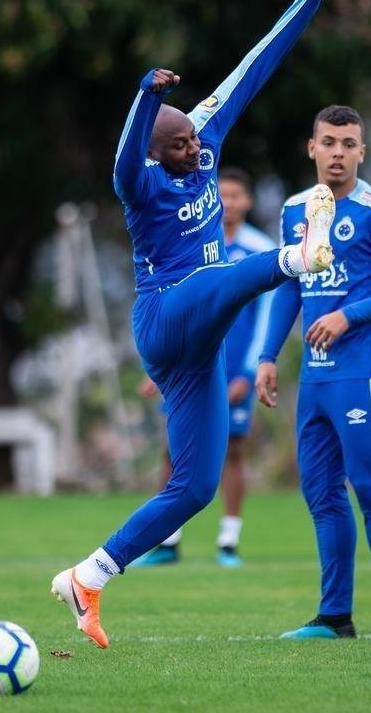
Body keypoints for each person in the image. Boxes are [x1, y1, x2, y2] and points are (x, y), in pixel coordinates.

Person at [50, 0, 334, 648]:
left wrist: (306, 3)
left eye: (193, 142)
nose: (194, 152)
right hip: (164, 319)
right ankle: (298, 257)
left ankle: (88, 576)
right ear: (155, 149)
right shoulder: (138, 183)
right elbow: (124, 156)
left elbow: (252, 69)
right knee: (227, 275)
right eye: (177, 146)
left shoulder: (203, 138)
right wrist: (145, 98)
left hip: (198, 346)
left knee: (196, 485)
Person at [255, 105, 371, 640]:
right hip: (316, 378)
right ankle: (334, 616)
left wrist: (347, 314)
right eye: (328, 142)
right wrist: (265, 356)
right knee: (322, 495)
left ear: (362, 153)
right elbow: (288, 287)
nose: (338, 152)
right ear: (312, 148)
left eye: (349, 144)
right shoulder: (293, 211)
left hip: (364, 371)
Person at [132, 166, 276, 568]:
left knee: (233, 451)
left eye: (235, 196)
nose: (228, 202)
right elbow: (171, 307)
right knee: (172, 450)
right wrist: (159, 364)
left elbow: (267, 313)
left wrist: (249, 372)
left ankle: (228, 542)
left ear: (246, 201)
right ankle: (168, 541)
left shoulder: (260, 248)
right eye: (222, 195)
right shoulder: (195, 242)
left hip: (233, 369)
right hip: (187, 363)